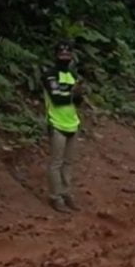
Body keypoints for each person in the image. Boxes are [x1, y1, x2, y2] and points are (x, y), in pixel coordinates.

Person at [43, 40, 86, 213]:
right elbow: (57, 99)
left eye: (68, 53)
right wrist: (73, 91)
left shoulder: (73, 75)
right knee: (56, 163)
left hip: (72, 123)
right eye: (62, 53)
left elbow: (78, 101)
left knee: (68, 162)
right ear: (55, 55)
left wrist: (78, 93)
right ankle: (56, 197)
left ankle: (66, 193)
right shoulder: (49, 75)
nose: (65, 56)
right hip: (56, 123)